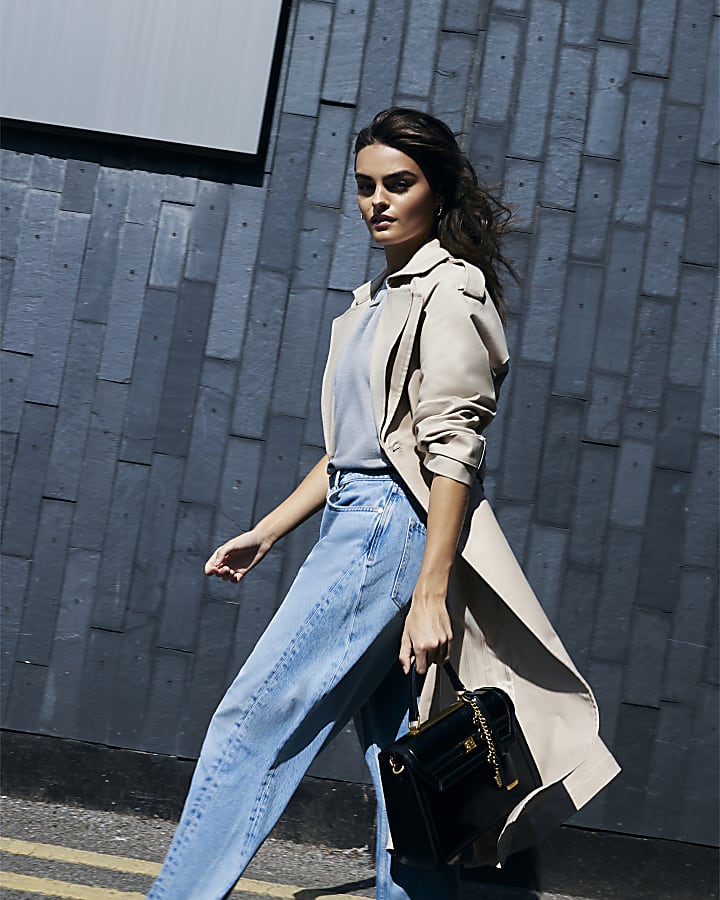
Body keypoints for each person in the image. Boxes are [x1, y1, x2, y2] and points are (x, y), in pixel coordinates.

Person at [147, 108, 619, 900]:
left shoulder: (451, 289)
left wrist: (430, 591)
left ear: (438, 190)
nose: (378, 201)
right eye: (366, 186)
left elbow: (452, 454)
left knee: (252, 723)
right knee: (407, 763)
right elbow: (355, 451)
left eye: (398, 184)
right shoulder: (373, 299)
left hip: (388, 535)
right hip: (357, 521)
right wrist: (268, 530)